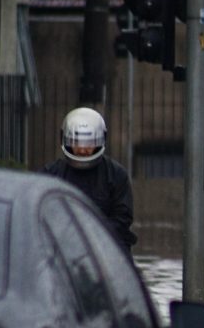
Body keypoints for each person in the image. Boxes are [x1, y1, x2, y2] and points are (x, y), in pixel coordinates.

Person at [43, 107, 137, 252]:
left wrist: (93, 236)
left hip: (106, 250)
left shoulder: (116, 175)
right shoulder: (50, 174)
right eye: (76, 143)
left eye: (89, 143)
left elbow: (122, 219)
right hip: (61, 250)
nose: (82, 150)